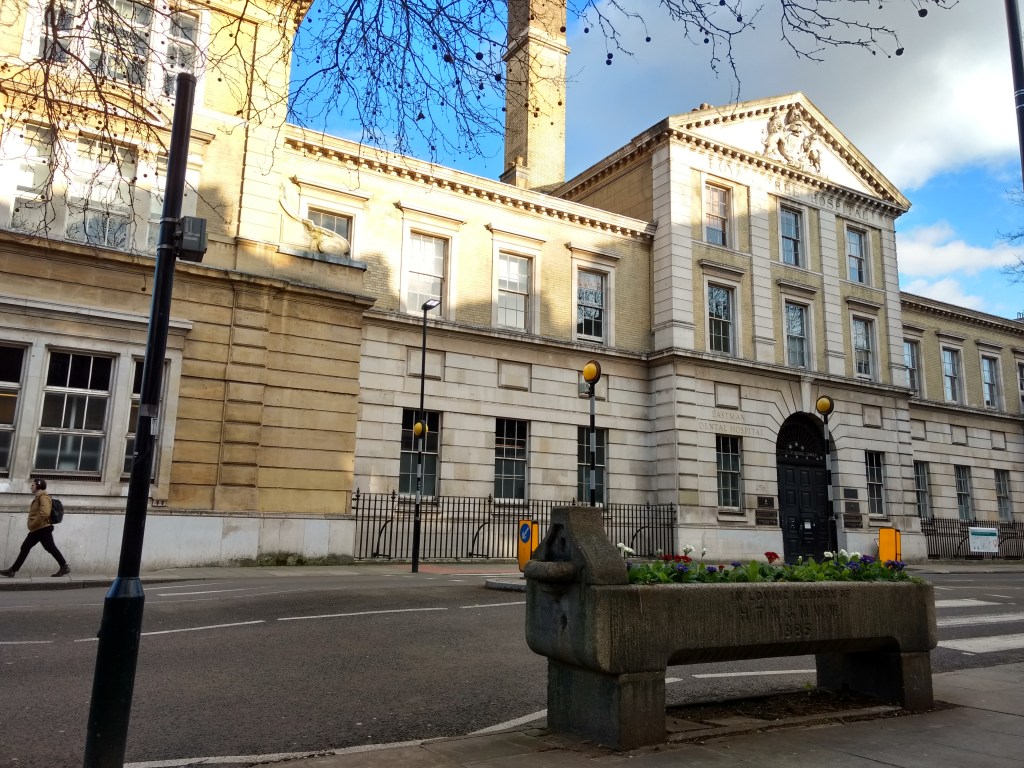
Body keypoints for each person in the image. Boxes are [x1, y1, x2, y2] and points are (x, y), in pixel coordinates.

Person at [1, 478, 70, 578]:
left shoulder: (43, 497)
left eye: (32, 485)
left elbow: (44, 513)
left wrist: (33, 524)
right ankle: (12, 570)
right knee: (29, 547)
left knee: (47, 547)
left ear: (38, 486)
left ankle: (64, 566)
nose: (31, 487)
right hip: (39, 528)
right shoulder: (38, 497)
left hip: (42, 528)